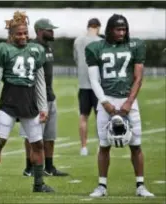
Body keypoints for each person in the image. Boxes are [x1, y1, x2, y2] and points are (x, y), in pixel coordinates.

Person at [0, 11, 55, 193]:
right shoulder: (2, 50)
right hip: (9, 102)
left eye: (25, 33)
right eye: (19, 34)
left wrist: (43, 107)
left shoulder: (36, 50)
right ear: (11, 35)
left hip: (30, 104)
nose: (23, 36)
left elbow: (40, 81)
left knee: (37, 144)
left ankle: (38, 184)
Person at [85, 14, 154, 197]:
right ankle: (102, 186)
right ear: (109, 29)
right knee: (104, 144)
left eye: (124, 29)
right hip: (106, 98)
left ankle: (140, 185)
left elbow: (138, 78)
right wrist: (105, 102)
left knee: (136, 144)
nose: (122, 32)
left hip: (128, 99)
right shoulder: (95, 48)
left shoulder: (135, 45)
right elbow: (94, 80)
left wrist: (129, 102)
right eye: (118, 29)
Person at [20, 18, 68, 177]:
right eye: (49, 29)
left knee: (49, 135)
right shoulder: (31, 48)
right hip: (34, 97)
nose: (53, 32)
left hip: (50, 96)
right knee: (32, 135)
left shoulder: (48, 48)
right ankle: (29, 167)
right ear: (40, 31)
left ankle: (49, 166)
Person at [73, 18, 102, 156]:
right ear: (98, 27)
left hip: (83, 84)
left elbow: (76, 59)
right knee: (100, 117)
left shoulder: (78, 41)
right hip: (97, 85)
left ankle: (83, 147)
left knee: (83, 116)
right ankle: (101, 145)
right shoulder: (101, 42)